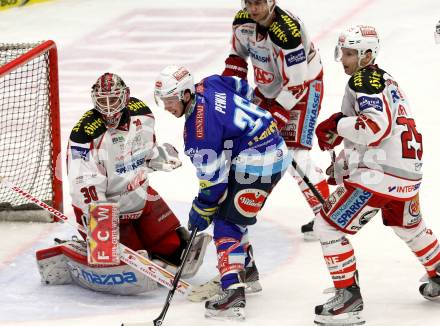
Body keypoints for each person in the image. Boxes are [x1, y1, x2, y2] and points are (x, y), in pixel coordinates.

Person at [36, 72, 211, 296]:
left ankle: (150, 245)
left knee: (174, 249)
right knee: (131, 257)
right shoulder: (84, 134)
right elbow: (83, 184)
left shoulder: (143, 114)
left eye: (113, 100)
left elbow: (145, 151)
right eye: (102, 101)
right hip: (105, 208)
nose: (108, 108)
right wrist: (99, 221)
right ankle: (83, 246)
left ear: (125, 97)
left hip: (139, 196)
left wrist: (157, 157)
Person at [313, 25, 440, 325]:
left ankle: (348, 299)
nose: (343, 58)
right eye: (342, 52)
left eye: (350, 53)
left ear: (368, 54)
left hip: (379, 178)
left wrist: (337, 125)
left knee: (326, 226)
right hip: (406, 175)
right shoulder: (386, 80)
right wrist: (344, 165)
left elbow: (374, 128)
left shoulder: (363, 79)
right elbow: (383, 134)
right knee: (411, 228)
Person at [154, 66, 291, 320]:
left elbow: (214, 184)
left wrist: (200, 208)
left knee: (225, 222)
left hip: (259, 162)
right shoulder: (210, 83)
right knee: (233, 211)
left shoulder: (198, 132)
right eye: (163, 101)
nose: (166, 107)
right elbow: (244, 90)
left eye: (170, 101)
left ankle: (233, 293)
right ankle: (246, 271)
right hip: (269, 147)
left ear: (185, 94)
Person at [221, 0, 330, 239]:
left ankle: (327, 216)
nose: (253, 8)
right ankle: (240, 207)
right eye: (249, 2)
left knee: (293, 152)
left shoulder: (287, 30)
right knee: (250, 147)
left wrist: (277, 117)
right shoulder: (242, 23)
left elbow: (297, 81)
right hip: (268, 88)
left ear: (271, 2)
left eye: (258, 2)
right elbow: (236, 59)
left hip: (303, 88)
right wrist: (228, 92)